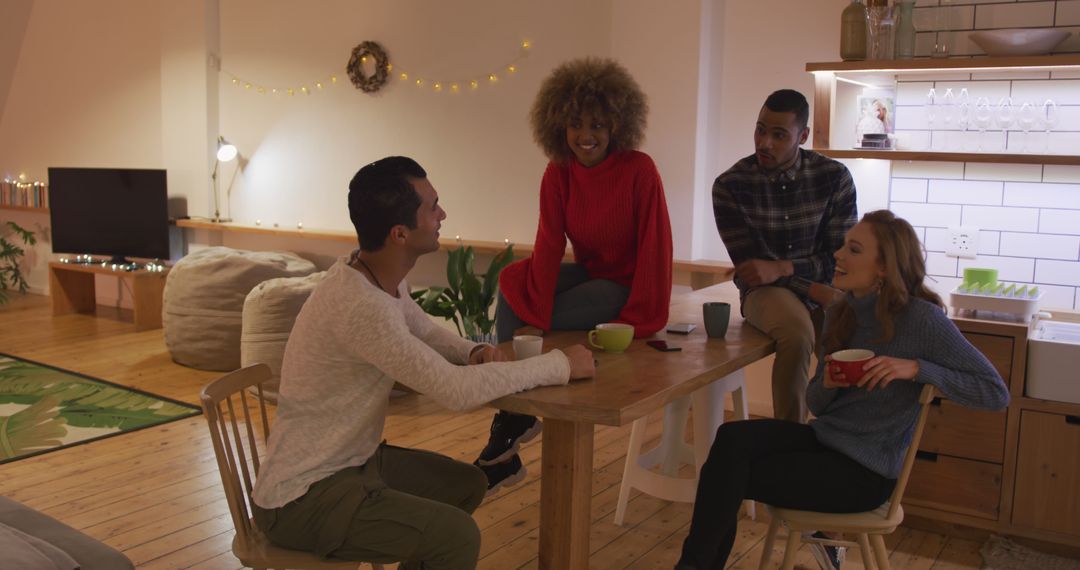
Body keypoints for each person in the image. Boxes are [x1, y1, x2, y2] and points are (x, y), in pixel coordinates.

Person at [249, 156, 596, 570]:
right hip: (302, 497)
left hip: (354, 463)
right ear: (400, 233)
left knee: (468, 484)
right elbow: (455, 391)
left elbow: (423, 330)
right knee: (455, 537)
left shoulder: (372, 274)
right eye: (432, 207)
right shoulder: (360, 305)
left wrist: (470, 352)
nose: (442, 214)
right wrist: (561, 365)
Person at [674, 210, 1010, 570]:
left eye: (853, 249)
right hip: (824, 441)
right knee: (731, 440)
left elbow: (994, 392)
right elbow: (816, 404)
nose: (838, 255)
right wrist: (830, 382)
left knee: (726, 477)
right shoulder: (842, 310)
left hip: (865, 474)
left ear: (883, 267)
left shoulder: (922, 320)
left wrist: (916, 369)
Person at [474, 57, 674, 492]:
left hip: (622, 287)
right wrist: (535, 314)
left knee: (540, 307)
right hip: (588, 271)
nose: (587, 136)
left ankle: (510, 420)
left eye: (598, 125)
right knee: (512, 281)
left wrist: (643, 315)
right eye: (577, 125)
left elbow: (657, 245)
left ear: (617, 125)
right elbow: (548, 245)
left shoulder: (639, 170)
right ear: (558, 126)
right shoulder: (558, 173)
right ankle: (515, 412)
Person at [712, 88, 858, 424]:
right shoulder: (730, 186)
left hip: (824, 286)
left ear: (802, 135)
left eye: (779, 135)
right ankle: (788, 437)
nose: (764, 143)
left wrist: (783, 268)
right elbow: (754, 273)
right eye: (760, 129)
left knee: (852, 337)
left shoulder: (834, 178)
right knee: (797, 333)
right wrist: (808, 286)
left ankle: (844, 436)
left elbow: (838, 258)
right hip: (765, 293)